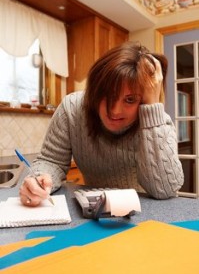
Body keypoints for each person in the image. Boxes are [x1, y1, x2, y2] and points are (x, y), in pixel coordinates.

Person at [19, 41, 184, 207]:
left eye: (130, 99)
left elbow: (165, 190)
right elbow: (51, 160)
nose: (115, 110)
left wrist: (151, 108)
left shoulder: (158, 120)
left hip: (149, 215)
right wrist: (40, 178)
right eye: (107, 95)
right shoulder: (72, 108)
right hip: (96, 210)